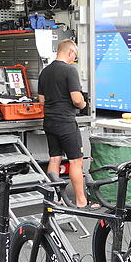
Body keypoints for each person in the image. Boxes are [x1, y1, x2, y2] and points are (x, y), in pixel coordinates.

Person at [37, 39, 96, 209]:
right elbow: (76, 99)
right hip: (66, 123)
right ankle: (81, 201)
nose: (74, 59)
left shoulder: (45, 72)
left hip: (49, 121)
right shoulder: (70, 70)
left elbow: (41, 100)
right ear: (70, 52)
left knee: (54, 158)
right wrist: (84, 104)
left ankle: (54, 198)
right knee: (76, 162)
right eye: (74, 56)